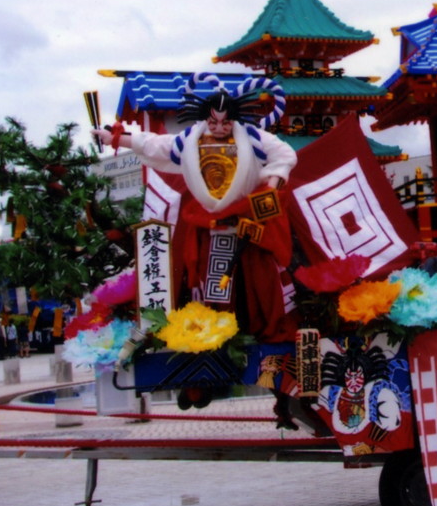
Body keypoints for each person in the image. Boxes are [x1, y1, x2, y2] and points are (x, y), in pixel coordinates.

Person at [91, 74, 299, 342]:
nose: (221, 127)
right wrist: (117, 138)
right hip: (210, 224)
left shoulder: (252, 137)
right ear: (205, 118)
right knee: (213, 285)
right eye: (214, 121)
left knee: (262, 282)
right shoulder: (191, 138)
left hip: (248, 219)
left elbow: (284, 153)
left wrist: (275, 177)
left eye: (226, 122)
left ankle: (259, 329)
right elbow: (157, 144)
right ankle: (218, 334)